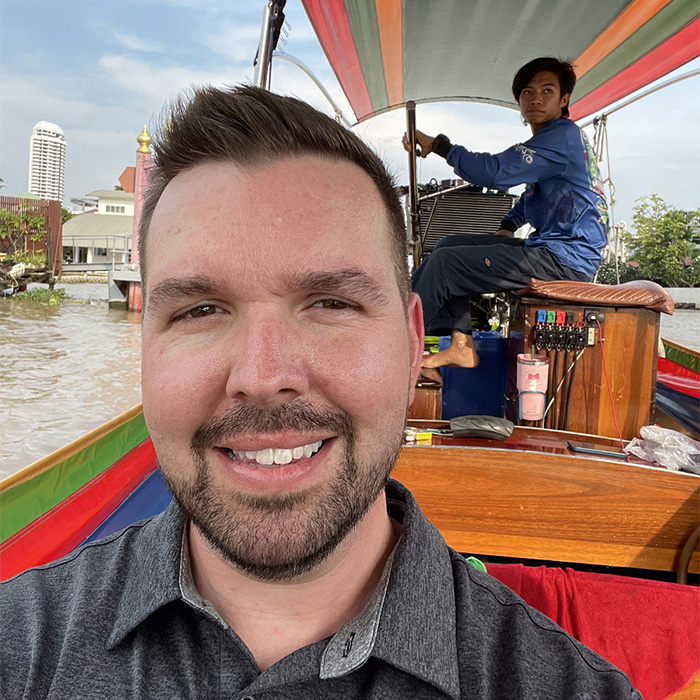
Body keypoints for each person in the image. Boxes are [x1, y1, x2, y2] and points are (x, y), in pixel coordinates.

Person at [0, 85, 638, 699]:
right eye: (198, 311)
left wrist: (442, 146)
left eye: (331, 303)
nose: (262, 374)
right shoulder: (20, 646)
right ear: (144, 347)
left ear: (415, 344)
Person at [405, 57, 608, 370]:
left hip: (565, 259)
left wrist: (440, 146)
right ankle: (460, 344)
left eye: (547, 91)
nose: (535, 98)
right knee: (447, 246)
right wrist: (508, 225)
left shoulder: (561, 138)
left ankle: (392, 349)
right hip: (548, 249)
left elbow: (494, 172)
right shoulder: (550, 143)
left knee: (446, 265)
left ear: (564, 99)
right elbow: (531, 197)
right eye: (527, 92)